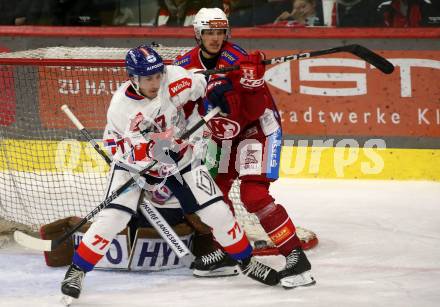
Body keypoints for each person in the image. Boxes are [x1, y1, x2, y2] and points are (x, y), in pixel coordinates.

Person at [60, 45, 280, 301]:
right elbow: (127, 151)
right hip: (132, 164)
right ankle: (77, 270)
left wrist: (220, 89)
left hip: (180, 158)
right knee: (113, 218)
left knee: (217, 211)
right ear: (133, 78)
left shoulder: (173, 77)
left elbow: (202, 82)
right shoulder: (121, 109)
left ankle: (246, 262)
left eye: (157, 76)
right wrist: (156, 154)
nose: (155, 83)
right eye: (148, 79)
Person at [174, 8, 315, 288]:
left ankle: (296, 258)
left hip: (256, 132)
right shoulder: (184, 65)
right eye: (209, 33)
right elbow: (181, 107)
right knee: (213, 195)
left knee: (253, 196)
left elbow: (255, 109)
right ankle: (228, 253)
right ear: (197, 34)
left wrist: (251, 84)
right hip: (222, 136)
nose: (215, 38)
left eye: (220, 32)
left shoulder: (238, 59)